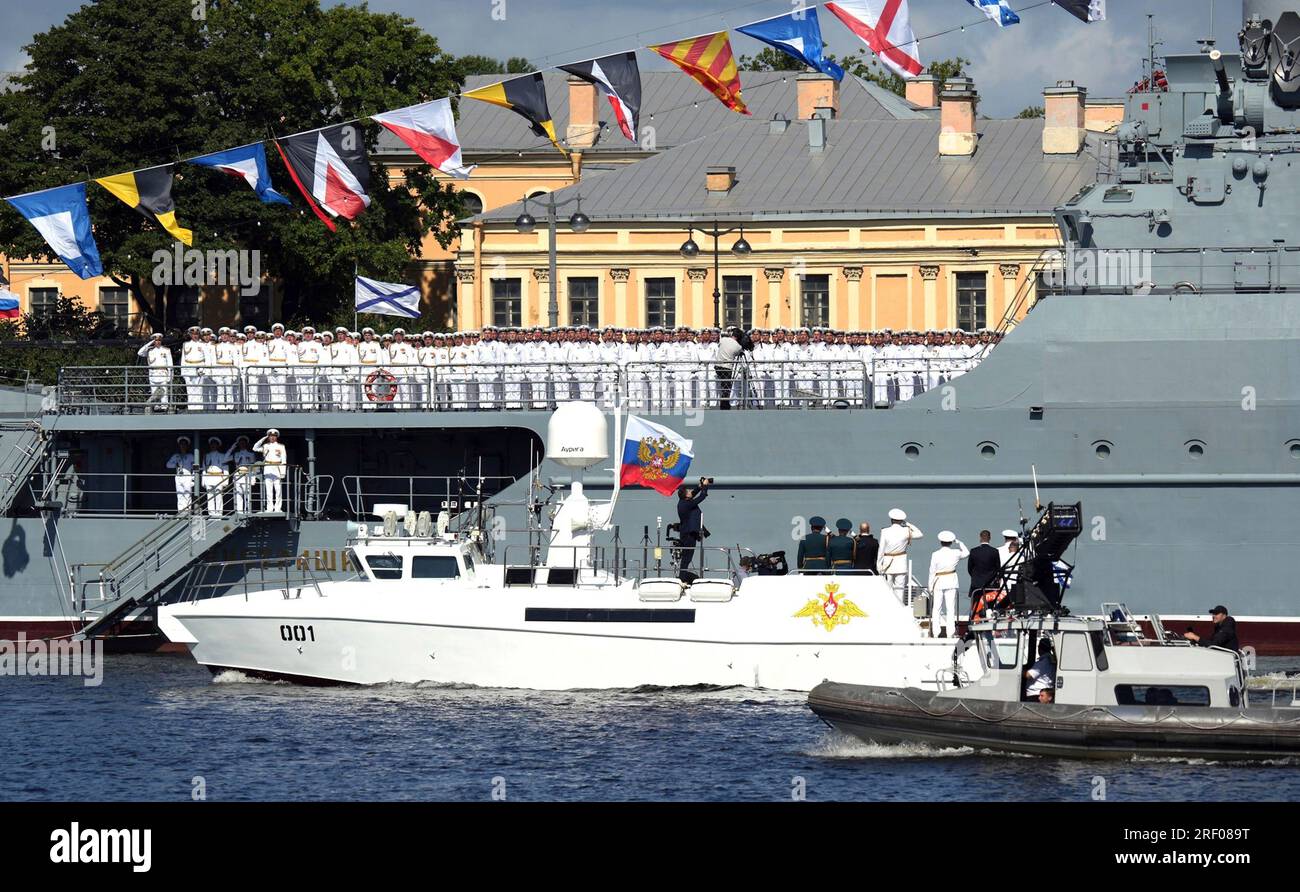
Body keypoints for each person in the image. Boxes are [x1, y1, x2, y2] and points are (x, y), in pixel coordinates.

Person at [927, 531, 970, 639]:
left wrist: (930, 586)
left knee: (936, 608)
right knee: (951, 608)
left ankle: (936, 632)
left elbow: (932, 571)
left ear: (940, 542)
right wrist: (959, 542)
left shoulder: (935, 554)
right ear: (951, 542)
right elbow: (966, 552)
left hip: (938, 581)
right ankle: (950, 633)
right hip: (951, 581)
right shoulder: (955, 552)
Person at [877, 508, 923, 597]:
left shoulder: (885, 531)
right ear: (901, 520)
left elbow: (881, 549)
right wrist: (908, 524)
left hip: (887, 563)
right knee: (900, 588)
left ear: (891, 520)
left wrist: (879, 565)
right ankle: (899, 607)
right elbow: (920, 534)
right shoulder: (906, 530)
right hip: (900, 563)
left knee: (887, 588)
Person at [675, 476, 711, 577]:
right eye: (688, 491)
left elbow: (693, 494)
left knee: (686, 557)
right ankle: (682, 577)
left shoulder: (684, 502)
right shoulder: (687, 504)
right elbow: (702, 497)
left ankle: (682, 575)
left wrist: (699, 487)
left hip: (686, 533)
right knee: (687, 557)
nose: (690, 491)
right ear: (686, 496)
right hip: (688, 535)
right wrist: (705, 486)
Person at [253, 428, 287, 513]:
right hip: (268, 468)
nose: (272, 438)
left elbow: (284, 460)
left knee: (278, 490)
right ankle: (269, 508)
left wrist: (283, 472)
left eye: (274, 436)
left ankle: (278, 508)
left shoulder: (281, 446)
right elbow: (255, 448)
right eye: (270, 436)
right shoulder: (265, 446)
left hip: (277, 468)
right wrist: (263, 438)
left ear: (276, 437)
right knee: (269, 491)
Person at [138, 333, 173, 410]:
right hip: (153, 374)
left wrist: (170, 376)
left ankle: (164, 406)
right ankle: (156, 406)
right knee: (154, 392)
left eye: (159, 340)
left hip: (163, 373)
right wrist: (150, 343)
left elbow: (170, 365)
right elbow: (140, 352)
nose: (158, 342)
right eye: (156, 340)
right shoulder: (149, 350)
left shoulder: (166, 350)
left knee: (164, 391)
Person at [225, 435, 258, 514]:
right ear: (238, 444)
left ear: (246, 444)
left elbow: (254, 467)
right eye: (240, 443)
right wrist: (232, 448)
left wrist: (253, 478)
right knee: (238, 495)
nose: (242, 444)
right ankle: (239, 512)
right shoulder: (235, 454)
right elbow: (225, 459)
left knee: (247, 496)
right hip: (238, 476)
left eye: (243, 442)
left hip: (247, 475)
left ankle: (248, 511)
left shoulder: (251, 454)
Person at [713, 327, 744, 410]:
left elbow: (719, 345)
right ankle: (725, 405)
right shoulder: (738, 346)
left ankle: (724, 403)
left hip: (718, 366)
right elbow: (737, 353)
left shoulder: (724, 339)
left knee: (723, 385)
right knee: (726, 386)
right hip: (727, 368)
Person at [967, 529, 1001, 599]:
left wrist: (975, 576)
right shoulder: (994, 551)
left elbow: (969, 568)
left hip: (976, 582)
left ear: (980, 537)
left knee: (975, 603)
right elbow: (998, 567)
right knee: (990, 603)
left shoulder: (974, 551)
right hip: (990, 583)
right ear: (990, 538)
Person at [165, 436, 196, 512]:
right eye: (181, 444)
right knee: (180, 495)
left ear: (187, 445)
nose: (183, 446)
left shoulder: (191, 456)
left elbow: (195, 467)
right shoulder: (176, 456)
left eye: (184, 444)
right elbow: (168, 465)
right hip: (179, 476)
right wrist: (175, 465)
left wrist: (193, 479)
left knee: (187, 495)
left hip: (187, 476)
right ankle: (181, 513)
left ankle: (187, 512)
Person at [201, 436, 229, 517]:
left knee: (218, 496)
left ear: (218, 445)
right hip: (209, 477)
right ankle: (211, 514)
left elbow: (225, 468)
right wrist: (203, 481)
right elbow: (204, 468)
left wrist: (225, 480)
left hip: (218, 477)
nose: (213, 446)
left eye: (215, 444)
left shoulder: (222, 455)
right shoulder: (206, 455)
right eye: (211, 444)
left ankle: (219, 514)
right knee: (209, 497)